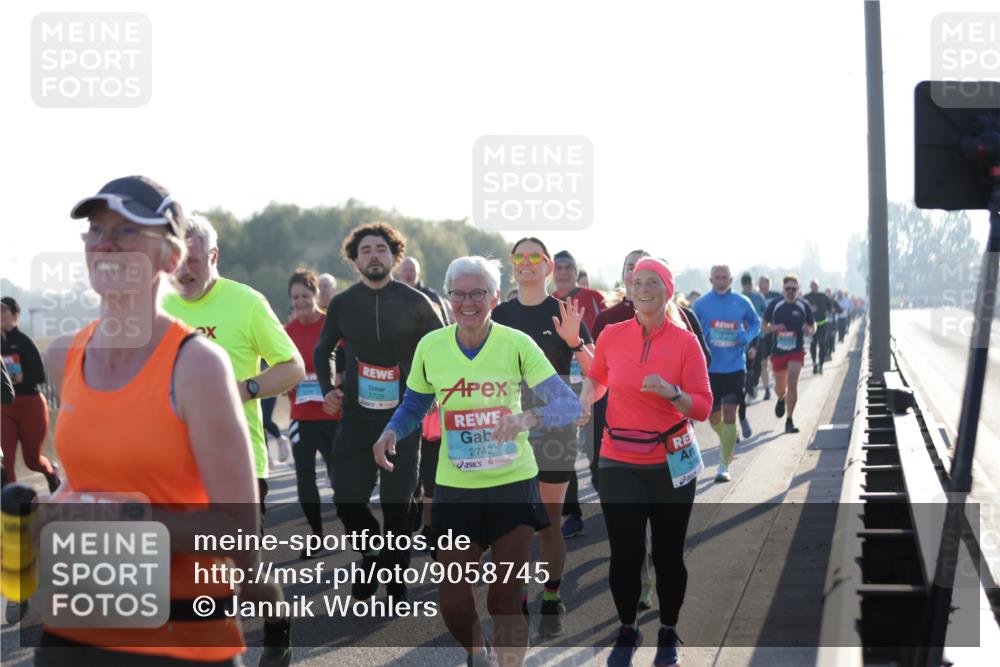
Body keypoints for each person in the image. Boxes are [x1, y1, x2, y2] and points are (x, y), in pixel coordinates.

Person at [37, 175, 272, 666]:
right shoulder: (63, 356)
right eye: (97, 231)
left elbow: (236, 531)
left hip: (179, 639)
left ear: (170, 258)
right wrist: (49, 513)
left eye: (126, 232)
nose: (105, 245)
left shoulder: (197, 366)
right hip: (74, 629)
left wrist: (123, 520)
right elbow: (87, 484)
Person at [373, 255, 580, 667]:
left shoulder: (516, 344)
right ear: (448, 297)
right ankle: (477, 655)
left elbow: (568, 404)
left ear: (495, 297)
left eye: (478, 293)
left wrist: (529, 416)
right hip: (456, 488)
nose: (468, 302)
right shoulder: (432, 346)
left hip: (511, 484)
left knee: (504, 595)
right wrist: (391, 430)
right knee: (453, 597)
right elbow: (416, 402)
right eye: (459, 294)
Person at [165, 213, 305, 665]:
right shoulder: (157, 308)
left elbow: (293, 367)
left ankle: (277, 619)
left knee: (244, 573)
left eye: (194, 260)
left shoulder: (245, 302)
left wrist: (244, 389)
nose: (184, 270)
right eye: (176, 260)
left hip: (238, 460)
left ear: (214, 256)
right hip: (171, 463)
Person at [577, 257, 712, 667]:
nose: (645, 288)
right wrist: (586, 398)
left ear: (668, 290)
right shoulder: (613, 335)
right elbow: (599, 378)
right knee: (625, 553)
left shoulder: (685, 342)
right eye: (638, 282)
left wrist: (672, 392)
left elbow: (703, 407)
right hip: (618, 458)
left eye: (654, 282)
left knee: (668, 554)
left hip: (670, 461)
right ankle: (628, 627)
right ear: (629, 289)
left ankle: (668, 630)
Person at [313, 222, 444, 602]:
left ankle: (395, 576)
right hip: (356, 417)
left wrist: (433, 388)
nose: (374, 255)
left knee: (398, 503)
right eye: (366, 250)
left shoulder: (416, 302)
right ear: (355, 260)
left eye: (381, 249)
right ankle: (373, 553)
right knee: (347, 499)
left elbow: (440, 346)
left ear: (394, 256)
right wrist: (328, 390)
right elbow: (324, 350)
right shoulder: (342, 303)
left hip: (404, 417)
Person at [491, 237, 594, 639]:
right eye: (520, 257)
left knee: (549, 524)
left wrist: (575, 344)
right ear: (513, 265)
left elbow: (596, 368)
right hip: (508, 428)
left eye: (535, 257)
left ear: (549, 266)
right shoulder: (497, 313)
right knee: (512, 525)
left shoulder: (564, 312)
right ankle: (517, 599)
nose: (527, 263)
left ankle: (551, 596)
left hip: (554, 429)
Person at [284, 269, 341, 559]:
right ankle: (318, 536)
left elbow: (346, 361)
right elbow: (278, 369)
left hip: (333, 417)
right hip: (302, 418)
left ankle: (355, 529)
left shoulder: (331, 326)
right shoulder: (286, 333)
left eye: (305, 295)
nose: (301, 301)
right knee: (304, 478)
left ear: (316, 295)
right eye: (295, 297)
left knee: (340, 478)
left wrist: (338, 380)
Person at [692, 266, 760, 483]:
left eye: (724, 278)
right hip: (711, 369)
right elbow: (690, 332)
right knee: (713, 419)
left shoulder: (742, 302)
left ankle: (723, 466)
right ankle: (727, 438)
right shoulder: (700, 305)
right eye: (717, 277)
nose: (721, 281)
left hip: (735, 367)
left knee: (730, 412)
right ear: (711, 278)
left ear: (731, 279)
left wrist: (746, 337)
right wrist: (703, 337)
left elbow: (756, 323)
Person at [1, 296, 61, 492]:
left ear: (15, 315)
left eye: (3, 310)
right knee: (6, 462)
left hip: (30, 405)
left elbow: (40, 375)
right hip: (4, 407)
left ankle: (51, 473)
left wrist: (19, 378)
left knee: (32, 461)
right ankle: (10, 510)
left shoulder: (24, 342)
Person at [762, 275, 815, 434]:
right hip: (778, 351)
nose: (791, 291)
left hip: (796, 350)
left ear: (798, 290)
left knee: (792, 383)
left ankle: (789, 420)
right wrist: (774, 328)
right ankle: (780, 398)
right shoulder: (775, 304)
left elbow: (813, 327)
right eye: (788, 289)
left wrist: (809, 329)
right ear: (783, 289)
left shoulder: (803, 305)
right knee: (780, 388)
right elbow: (764, 326)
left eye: (794, 289)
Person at [551, 250, 606, 334]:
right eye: (558, 268)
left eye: (568, 267)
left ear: (576, 272)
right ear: (552, 273)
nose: (563, 272)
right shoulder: (548, 300)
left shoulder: (595, 297)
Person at [397, 255, 451, 324]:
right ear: (399, 273)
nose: (409, 273)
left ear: (418, 273)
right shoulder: (391, 296)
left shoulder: (431, 296)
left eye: (412, 270)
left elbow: (445, 324)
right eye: (405, 270)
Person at [739, 273, 767, 401]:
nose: (747, 288)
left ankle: (754, 384)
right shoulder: (738, 298)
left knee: (757, 366)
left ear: (752, 284)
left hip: (758, 336)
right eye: (745, 286)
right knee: (746, 365)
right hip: (744, 337)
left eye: (749, 285)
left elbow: (766, 314)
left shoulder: (759, 297)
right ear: (742, 286)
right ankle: (748, 391)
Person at [756, 275, 782, 400]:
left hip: (775, 333)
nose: (763, 285)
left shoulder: (777, 296)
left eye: (765, 283)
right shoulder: (755, 297)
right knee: (763, 363)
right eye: (761, 283)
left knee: (775, 361)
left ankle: (778, 383)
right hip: (762, 333)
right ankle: (767, 389)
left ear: (769, 284)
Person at [802, 280, 837, 374]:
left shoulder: (823, 296)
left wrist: (827, 311)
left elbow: (831, 308)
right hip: (812, 324)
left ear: (818, 286)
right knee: (813, 344)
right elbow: (801, 309)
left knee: (822, 344)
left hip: (822, 324)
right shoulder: (806, 297)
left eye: (816, 285)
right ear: (810, 286)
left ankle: (821, 365)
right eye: (812, 285)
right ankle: (814, 363)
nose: (814, 287)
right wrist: (809, 309)